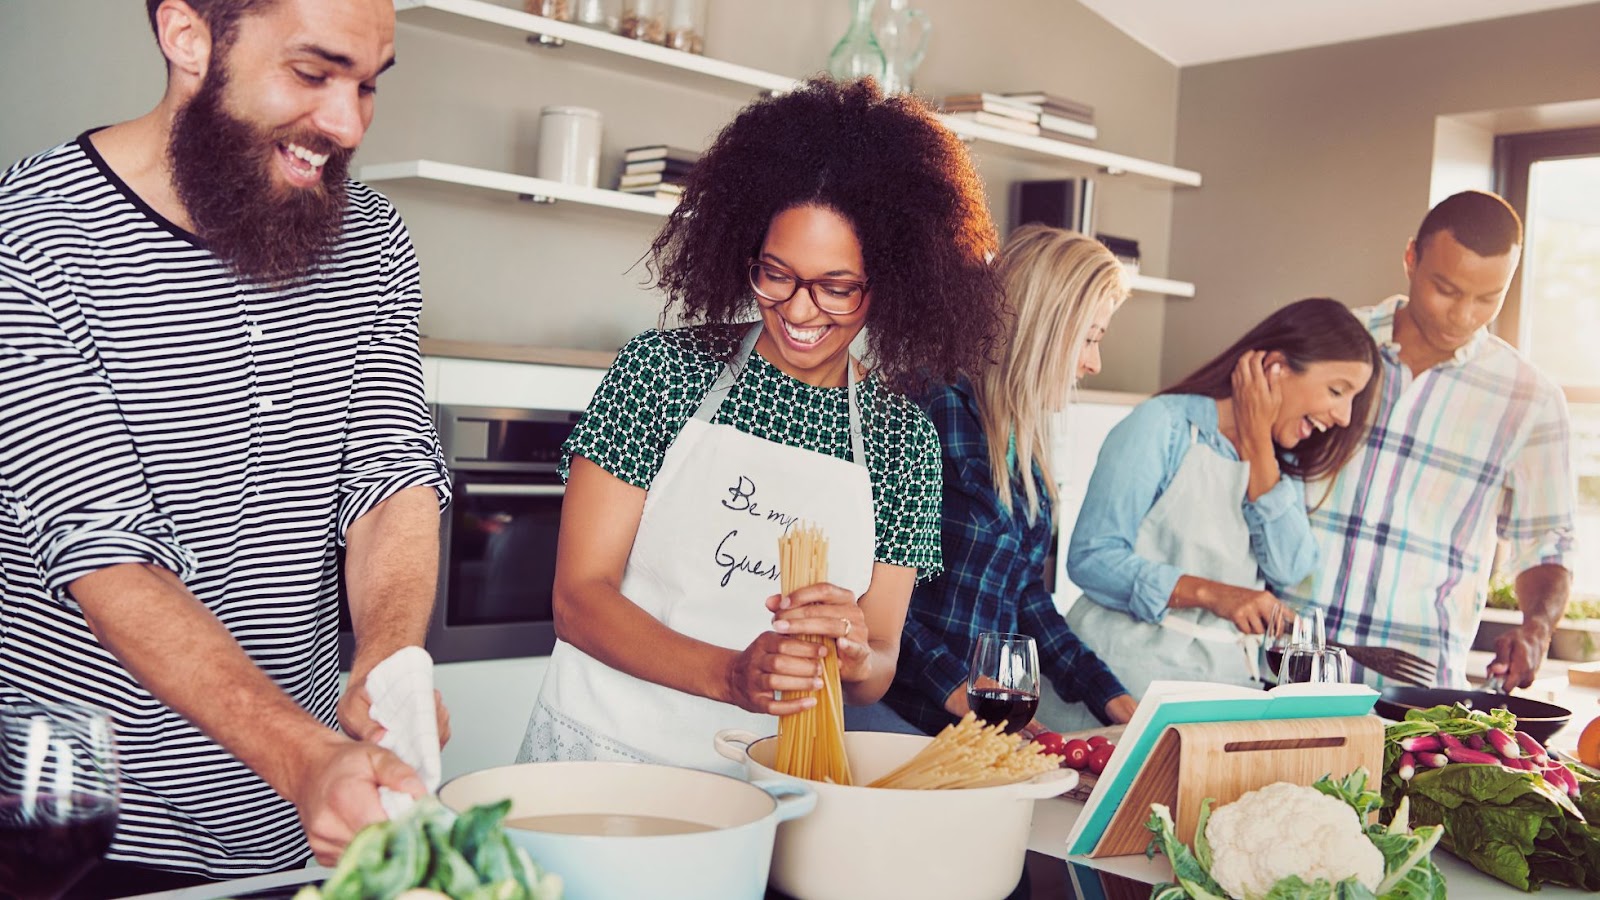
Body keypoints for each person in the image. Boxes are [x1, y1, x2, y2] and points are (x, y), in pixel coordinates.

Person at [0, 0, 451, 888]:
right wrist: (304, 758)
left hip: (312, 824)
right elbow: (107, 556)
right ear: (188, 37)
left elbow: (390, 474)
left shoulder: (371, 239)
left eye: (367, 86)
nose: (346, 122)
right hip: (91, 831)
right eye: (313, 74)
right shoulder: (29, 236)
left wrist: (387, 660)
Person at [516, 77, 1007, 774]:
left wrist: (855, 650)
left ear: (891, 283)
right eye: (777, 274)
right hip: (604, 755)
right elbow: (578, 599)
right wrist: (728, 675)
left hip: (771, 779)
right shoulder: (662, 374)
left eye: (837, 287)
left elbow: (880, 666)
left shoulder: (903, 442)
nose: (800, 311)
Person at [1283, 191, 1577, 690]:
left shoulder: (1531, 400)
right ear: (1410, 258)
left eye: (1488, 298)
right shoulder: (1325, 345)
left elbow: (1547, 542)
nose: (1462, 315)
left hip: (1413, 691)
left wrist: (1536, 627)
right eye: (1446, 289)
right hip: (1281, 665)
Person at [875, 226, 1137, 738]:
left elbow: (1025, 598)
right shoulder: (931, 408)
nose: (1093, 362)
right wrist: (963, 692)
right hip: (897, 719)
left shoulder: (1022, 445)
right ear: (1042, 325)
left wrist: (1109, 695)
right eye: (1089, 338)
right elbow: (872, 597)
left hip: (967, 729)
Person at [1066, 298, 1380, 698]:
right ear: (1275, 369)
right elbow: (1090, 557)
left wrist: (1256, 445)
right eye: (1337, 391)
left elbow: (1290, 567)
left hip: (1221, 689)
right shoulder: (1163, 425)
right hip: (1120, 686)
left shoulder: (1279, 462)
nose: (1344, 417)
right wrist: (1214, 595)